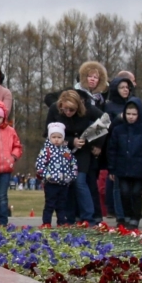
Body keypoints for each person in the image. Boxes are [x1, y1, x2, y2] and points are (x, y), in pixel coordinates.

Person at [44, 90, 98, 223]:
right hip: (61, 151)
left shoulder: (88, 109)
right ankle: (69, 217)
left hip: (82, 150)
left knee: (80, 181)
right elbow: (47, 133)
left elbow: (104, 122)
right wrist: (69, 140)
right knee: (66, 184)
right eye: (65, 109)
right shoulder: (54, 109)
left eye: (72, 110)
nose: (68, 112)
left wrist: (96, 143)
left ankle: (88, 217)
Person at [106, 100, 142, 230]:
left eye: (134, 114)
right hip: (122, 168)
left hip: (139, 168)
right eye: (128, 113)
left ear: (139, 114)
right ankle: (127, 216)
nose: (131, 116)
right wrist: (111, 169)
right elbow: (112, 150)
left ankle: (135, 217)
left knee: (136, 193)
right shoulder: (118, 130)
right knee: (124, 192)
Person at [35, 122, 77, 225]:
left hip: (64, 183)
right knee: (50, 204)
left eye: (59, 137)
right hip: (51, 183)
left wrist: (72, 175)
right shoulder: (46, 151)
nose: (57, 139)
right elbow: (39, 165)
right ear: (50, 137)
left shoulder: (66, 151)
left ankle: (62, 222)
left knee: (62, 204)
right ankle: (46, 222)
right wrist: (47, 176)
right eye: (54, 137)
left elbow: (73, 163)